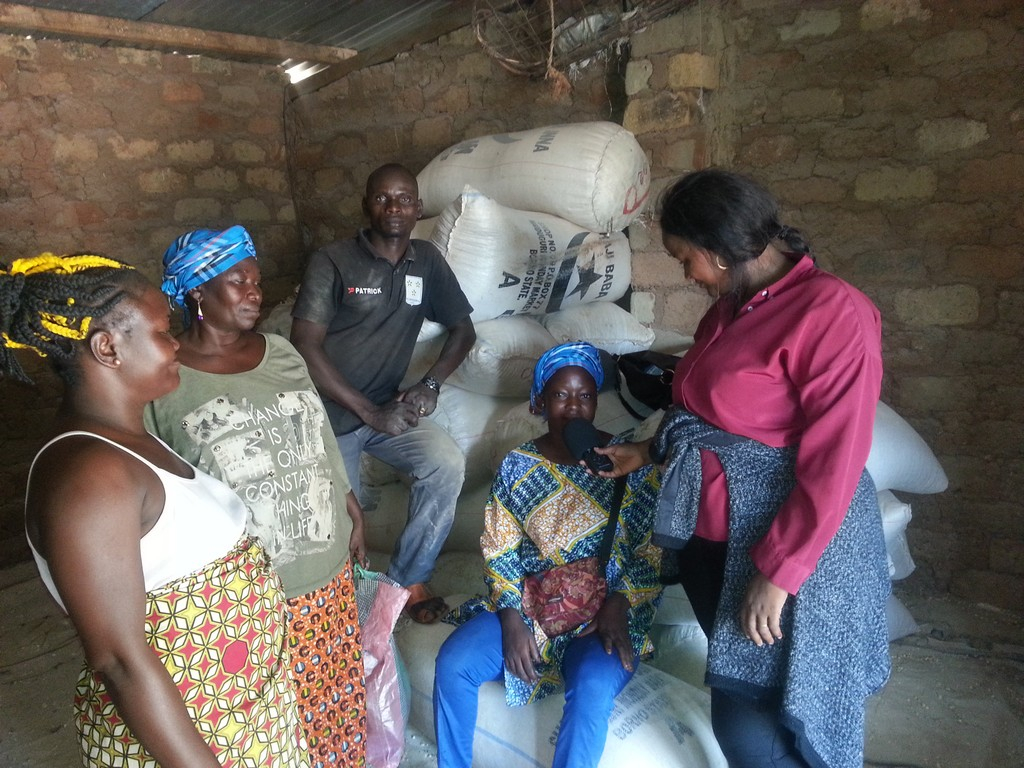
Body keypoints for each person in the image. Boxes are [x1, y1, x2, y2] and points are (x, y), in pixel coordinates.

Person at [594, 169, 891, 768]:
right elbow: (707, 410)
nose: (686, 275)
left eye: (685, 260)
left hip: (783, 542)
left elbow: (835, 458)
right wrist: (650, 451)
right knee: (744, 696)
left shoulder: (834, 313)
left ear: (718, 250)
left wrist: (781, 572)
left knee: (762, 721)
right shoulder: (729, 310)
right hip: (715, 538)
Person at [2, 253, 309, 768]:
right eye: (163, 330)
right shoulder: (89, 478)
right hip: (188, 742)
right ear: (107, 348)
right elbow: (120, 661)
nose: (175, 343)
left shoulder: (128, 439)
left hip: (236, 715)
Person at [145, 225, 368, 768]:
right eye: (237, 281)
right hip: (249, 595)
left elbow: (319, 436)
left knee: (336, 712)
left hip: (327, 572)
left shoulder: (282, 352)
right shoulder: (166, 382)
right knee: (272, 728)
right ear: (197, 291)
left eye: (256, 280)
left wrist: (350, 506)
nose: (254, 292)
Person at [433, 342, 663, 768]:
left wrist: (620, 602)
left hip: (602, 617)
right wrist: (510, 617)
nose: (574, 408)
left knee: (593, 686)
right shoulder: (519, 465)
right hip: (532, 610)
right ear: (539, 401)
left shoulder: (628, 461)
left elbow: (652, 549)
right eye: (560, 395)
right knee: (454, 662)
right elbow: (499, 547)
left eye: (585, 395)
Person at [290, 162, 476, 624]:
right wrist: (370, 413)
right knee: (339, 524)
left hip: (388, 410)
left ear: (418, 208)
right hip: (327, 416)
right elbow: (304, 347)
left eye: (404, 199)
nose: (394, 208)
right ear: (365, 205)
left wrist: (430, 384)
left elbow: (463, 330)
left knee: (446, 462)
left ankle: (407, 579)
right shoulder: (332, 260)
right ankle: (348, 607)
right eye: (382, 198)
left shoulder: (426, 261)